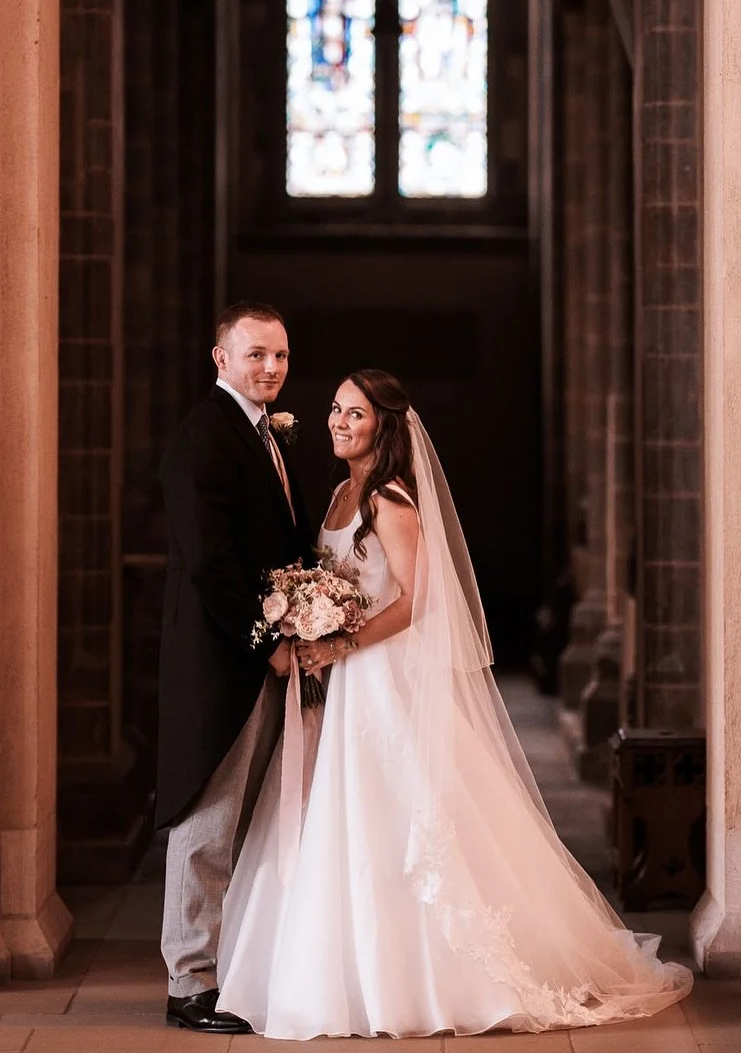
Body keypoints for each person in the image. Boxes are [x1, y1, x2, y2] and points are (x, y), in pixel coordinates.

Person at [217, 369, 694, 1037]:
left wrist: (342, 642)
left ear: (384, 426)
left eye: (355, 415)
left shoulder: (390, 500)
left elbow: (418, 602)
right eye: (335, 410)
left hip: (379, 681)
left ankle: (422, 981)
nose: (339, 423)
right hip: (339, 686)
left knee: (398, 818)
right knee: (331, 819)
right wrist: (304, 617)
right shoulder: (335, 495)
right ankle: (339, 971)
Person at [157, 302, 312, 1033]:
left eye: (279, 356)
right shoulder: (205, 437)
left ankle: (230, 968)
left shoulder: (264, 435)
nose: (270, 368)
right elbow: (210, 564)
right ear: (220, 359)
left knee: (246, 823)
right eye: (255, 355)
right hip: (222, 662)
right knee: (209, 817)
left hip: (260, 657)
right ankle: (189, 982)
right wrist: (269, 642)